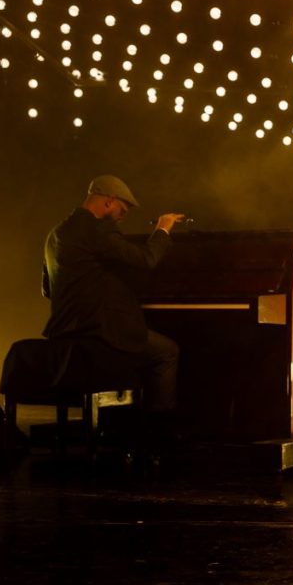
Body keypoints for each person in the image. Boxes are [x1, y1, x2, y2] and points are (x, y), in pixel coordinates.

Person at [42, 175, 186, 444]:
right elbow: (146, 259)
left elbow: (48, 289)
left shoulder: (56, 234)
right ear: (109, 201)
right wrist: (163, 229)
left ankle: (123, 428)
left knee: (143, 347)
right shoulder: (98, 230)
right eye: (123, 209)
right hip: (99, 335)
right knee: (167, 352)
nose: (122, 217)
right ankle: (157, 434)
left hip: (63, 338)